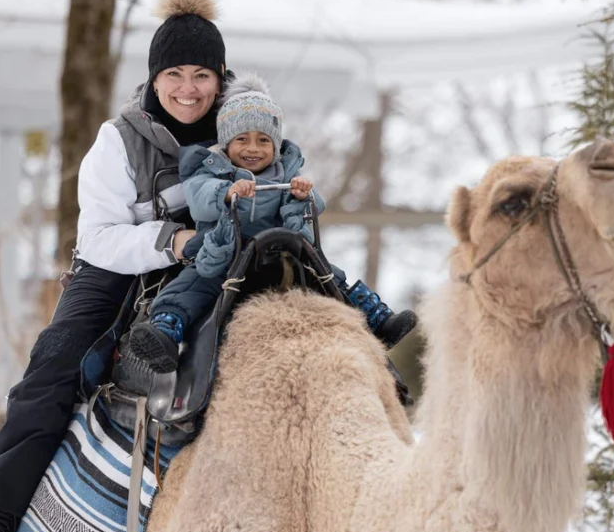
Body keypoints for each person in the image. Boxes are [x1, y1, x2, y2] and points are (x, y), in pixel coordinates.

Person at [0, 0, 229, 532]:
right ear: (155, 79)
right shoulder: (118, 139)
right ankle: (3, 512)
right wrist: (174, 240)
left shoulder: (237, 128)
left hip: (216, 266)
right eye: (176, 74)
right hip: (119, 267)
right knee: (55, 359)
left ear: (220, 78)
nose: (189, 89)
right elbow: (100, 238)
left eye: (203, 76)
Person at [128, 72, 417, 372]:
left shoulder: (285, 175)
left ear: (275, 146)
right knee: (193, 285)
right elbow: (199, 200)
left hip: (278, 256)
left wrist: (300, 198)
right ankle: (166, 327)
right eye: (242, 139)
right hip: (226, 253)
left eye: (263, 141)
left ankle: (374, 316)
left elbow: (308, 216)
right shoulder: (211, 171)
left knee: (328, 274)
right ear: (227, 143)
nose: (253, 148)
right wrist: (226, 194)